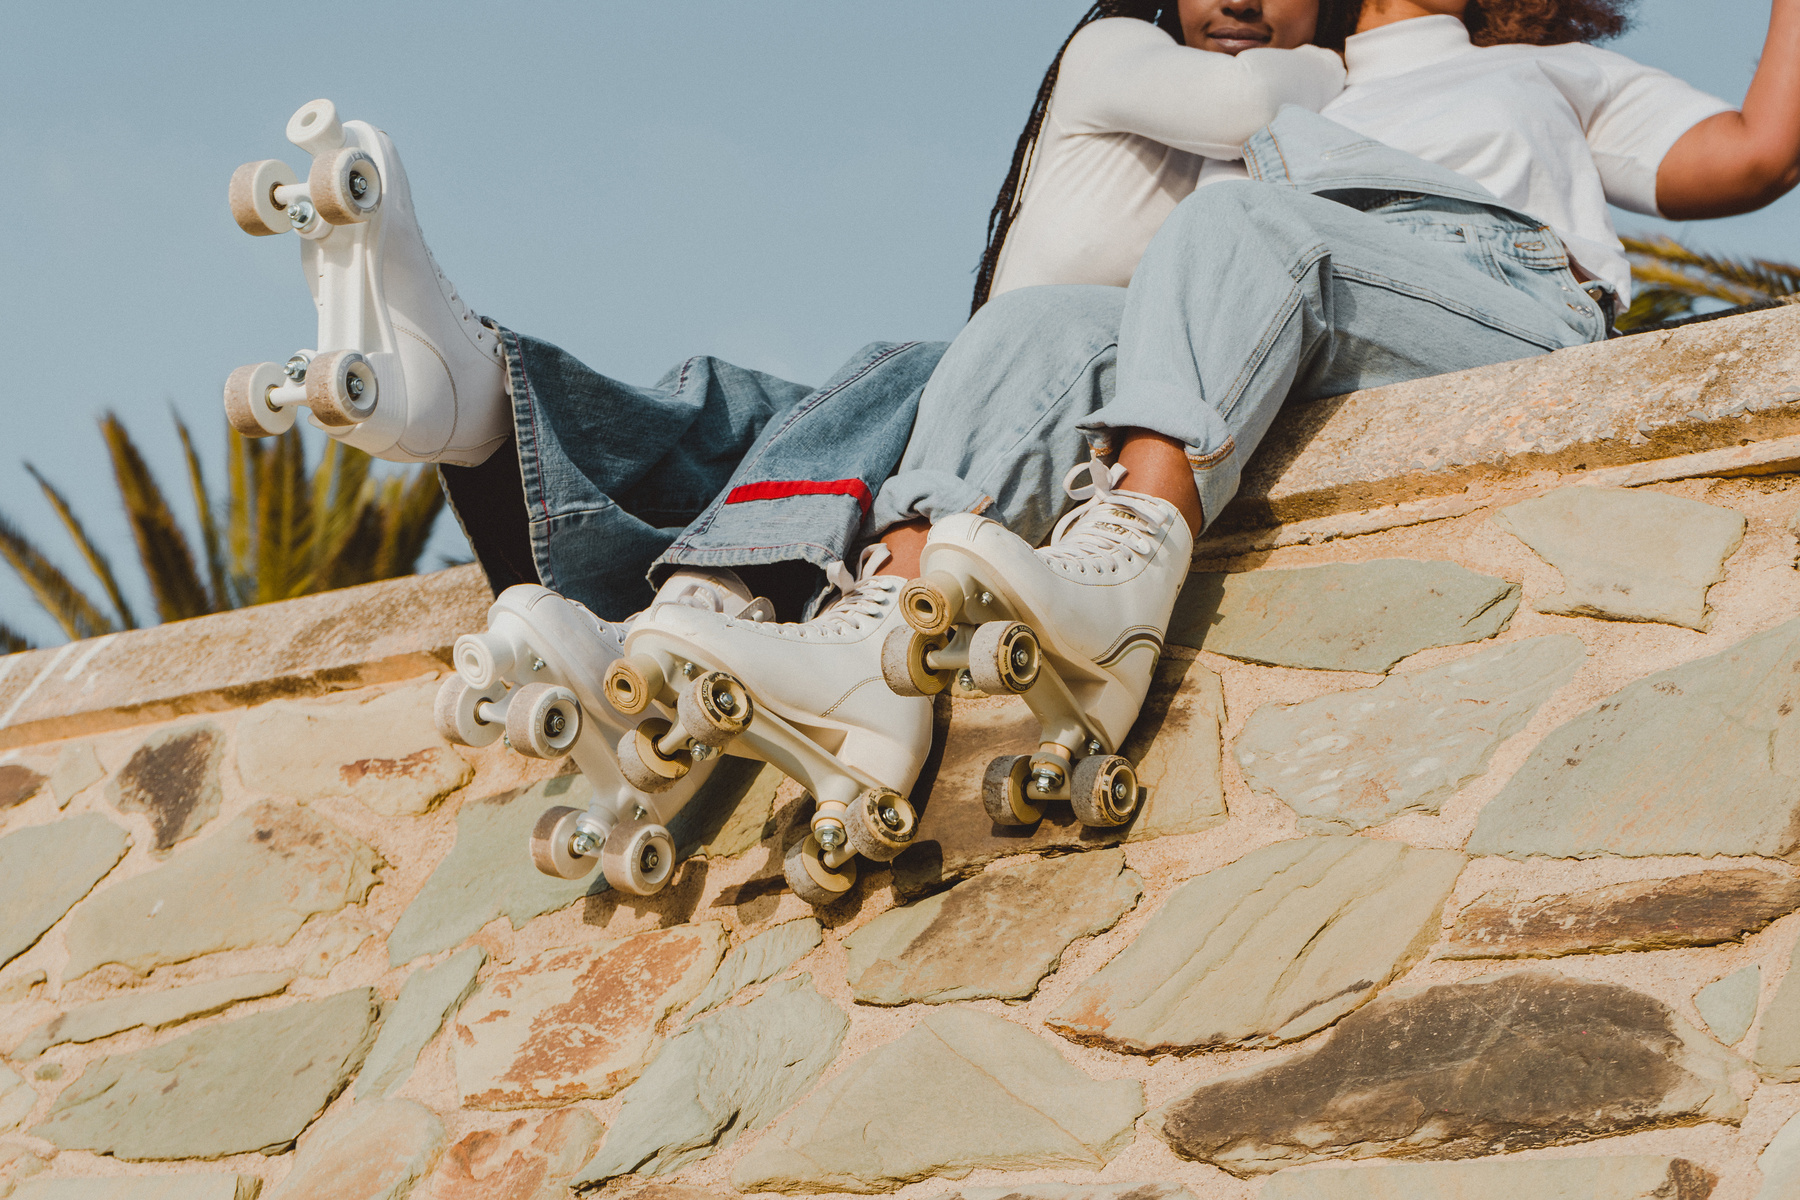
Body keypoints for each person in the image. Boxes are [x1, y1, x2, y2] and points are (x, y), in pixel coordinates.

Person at [224, 0, 1342, 902]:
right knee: (764, 402)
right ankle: (486, 404)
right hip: (979, 414)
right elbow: (1248, 102)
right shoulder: (1117, 53)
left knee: (811, 402)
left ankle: (666, 564)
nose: (1239, 2)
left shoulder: (1264, 178)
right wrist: (1332, 61)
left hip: (1037, 429)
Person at [846, 0, 1799, 836]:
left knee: (1240, 222)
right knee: (1034, 324)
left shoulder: (1544, 68)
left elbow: (1759, 153)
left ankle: (1126, 570)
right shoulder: (1284, 84)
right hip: (1295, 314)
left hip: (1493, 298)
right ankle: (880, 639)